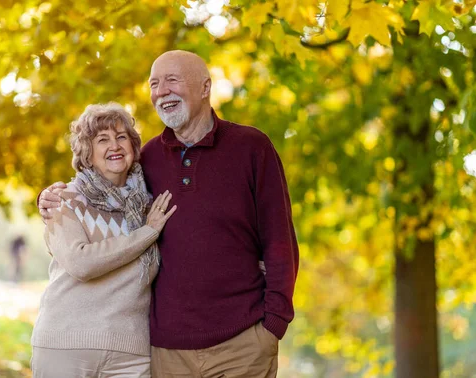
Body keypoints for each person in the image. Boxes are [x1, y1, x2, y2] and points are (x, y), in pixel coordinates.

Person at [39, 50, 299, 378]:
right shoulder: (145, 159)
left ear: (205, 87)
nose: (162, 91)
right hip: (167, 352)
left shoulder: (252, 148)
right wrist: (48, 197)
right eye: (154, 84)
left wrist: (273, 323)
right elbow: (96, 182)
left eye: (172, 80)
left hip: (244, 342)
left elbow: (279, 242)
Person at [31, 102, 176, 378]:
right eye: (103, 140)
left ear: (133, 148)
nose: (115, 145)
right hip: (66, 346)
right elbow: (81, 262)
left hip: (131, 354)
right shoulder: (63, 200)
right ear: (88, 151)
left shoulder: (149, 206)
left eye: (122, 137)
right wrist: (146, 233)